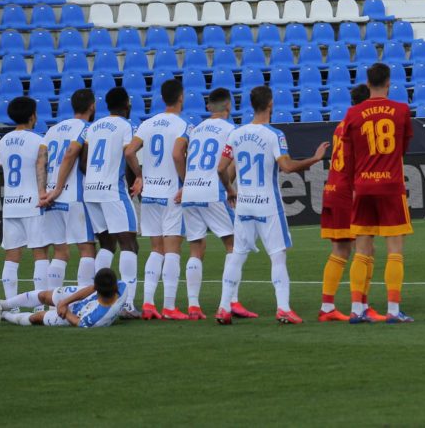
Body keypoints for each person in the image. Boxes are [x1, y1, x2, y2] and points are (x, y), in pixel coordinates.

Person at [215, 86, 329, 325]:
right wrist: (314, 159)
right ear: (270, 105)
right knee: (278, 256)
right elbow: (287, 167)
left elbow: (220, 168)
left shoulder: (235, 134)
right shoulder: (274, 135)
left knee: (237, 255)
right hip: (267, 204)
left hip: (244, 204)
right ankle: (283, 308)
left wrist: (229, 190)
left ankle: (224, 307)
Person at [172, 88, 257, 320]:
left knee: (196, 248)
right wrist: (229, 186)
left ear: (209, 107)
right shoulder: (231, 130)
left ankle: (193, 306)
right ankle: (231, 302)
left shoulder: (196, 129)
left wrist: (185, 183)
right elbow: (228, 165)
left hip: (190, 191)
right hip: (213, 191)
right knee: (234, 245)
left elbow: (178, 154)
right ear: (228, 107)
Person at [341, 63, 415, 324]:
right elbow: (402, 148)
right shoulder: (401, 110)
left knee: (362, 249)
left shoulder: (353, 113)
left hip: (362, 186)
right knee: (394, 249)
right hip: (391, 186)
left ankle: (357, 309)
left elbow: (349, 156)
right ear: (388, 82)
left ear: (368, 82)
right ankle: (393, 310)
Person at [318, 84, 385, 322]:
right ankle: (361, 306)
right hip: (350, 192)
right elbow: (360, 163)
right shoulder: (362, 125)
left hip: (333, 188)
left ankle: (327, 307)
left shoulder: (341, 125)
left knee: (341, 249)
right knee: (365, 248)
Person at [125, 79, 191, 321]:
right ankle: (170, 306)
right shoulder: (183, 124)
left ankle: (149, 303)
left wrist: (140, 175)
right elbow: (177, 154)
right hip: (172, 194)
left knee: (156, 249)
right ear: (181, 97)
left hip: (150, 192)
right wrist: (186, 182)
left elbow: (130, 151)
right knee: (173, 249)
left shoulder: (147, 124)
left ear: (164, 98)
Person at [81, 87, 141, 317]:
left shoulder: (93, 127)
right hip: (112, 191)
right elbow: (129, 154)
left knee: (107, 244)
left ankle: (101, 299)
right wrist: (138, 176)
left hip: (91, 191)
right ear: (126, 104)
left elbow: (84, 162)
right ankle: (127, 303)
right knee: (129, 243)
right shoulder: (125, 126)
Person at [37, 89, 99, 291]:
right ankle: (84, 298)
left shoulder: (53, 129)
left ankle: (53, 301)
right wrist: (58, 188)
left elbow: (41, 159)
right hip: (73, 196)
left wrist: (44, 191)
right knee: (87, 248)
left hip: (50, 198)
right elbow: (71, 153)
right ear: (92, 106)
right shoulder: (86, 128)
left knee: (60, 251)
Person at [0, 96, 51, 310]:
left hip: (10, 204)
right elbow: (41, 168)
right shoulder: (39, 140)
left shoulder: (3, 141)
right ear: (32, 116)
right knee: (40, 253)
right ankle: (40, 305)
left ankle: (11, 305)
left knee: (11, 256)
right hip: (32, 204)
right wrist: (42, 193)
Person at [0, 268, 127, 328]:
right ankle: (3, 304)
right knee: (44, 295)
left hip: (75, 315)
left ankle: (3, 315)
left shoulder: (98, 319)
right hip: (84, 300)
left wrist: (66, 311)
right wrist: (65, 301)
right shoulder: (122, 287)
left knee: (37, 318)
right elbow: (90, 289)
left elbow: (80, 323)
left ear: (98, 290)